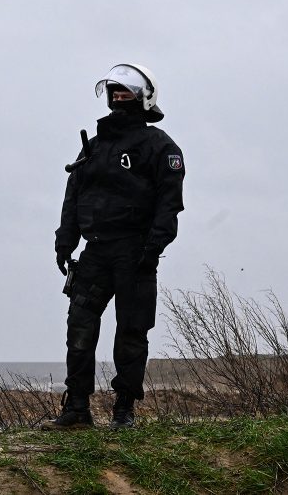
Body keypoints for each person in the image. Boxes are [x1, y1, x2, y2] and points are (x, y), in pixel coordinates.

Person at [45, 63, 185, 430]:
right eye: (114, 91)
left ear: (143, 98)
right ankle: (77, 409)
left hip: (135, 254)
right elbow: (73, 195)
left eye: (126, 92)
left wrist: (152, 248)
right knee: (79, 328)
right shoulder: (93, 148)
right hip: (94, 253)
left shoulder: (160, 147)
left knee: (131, 332)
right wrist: (65, 241)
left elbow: (169, 205)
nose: (118, 97)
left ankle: (124, 412)